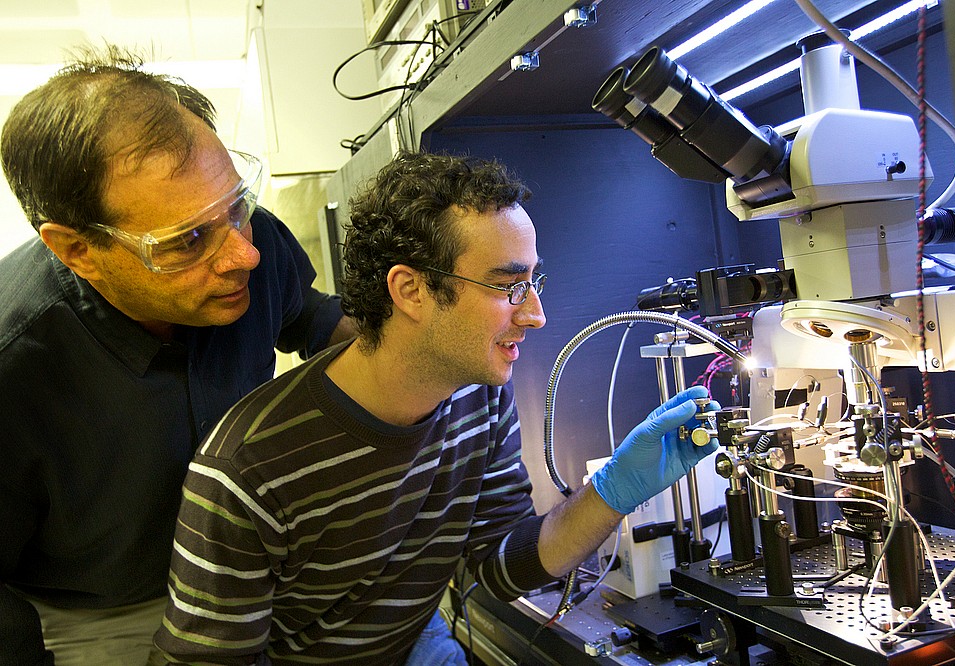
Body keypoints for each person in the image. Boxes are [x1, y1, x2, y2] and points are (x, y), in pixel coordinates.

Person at [154, 151, 718, 664]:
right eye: (508, 287)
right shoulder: (247, 469)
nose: (536, 314)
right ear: (411, 291)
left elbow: (500, 566)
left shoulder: (480, 395)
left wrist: (615, 491)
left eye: (534, 280)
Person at [0, 46, 354, 666]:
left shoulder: (252, 236)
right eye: (187, 240)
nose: (241, 255)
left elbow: (313, 321)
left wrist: (420, 346)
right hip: (112, 612)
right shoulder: (15, 363)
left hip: (261, 568)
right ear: (77, 250)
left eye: (236, 205)